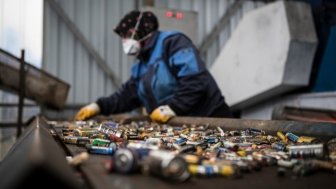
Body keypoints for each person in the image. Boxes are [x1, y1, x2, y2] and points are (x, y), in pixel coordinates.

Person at [75, 10, 232, 123]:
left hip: (213, 120)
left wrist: (174, 108)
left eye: (127, 35)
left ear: (142, 30)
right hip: (185, 127)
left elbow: (195, 80)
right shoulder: (141, 65)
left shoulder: (172, 43)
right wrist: (99, 106)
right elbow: (127, 96)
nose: (124, 40)